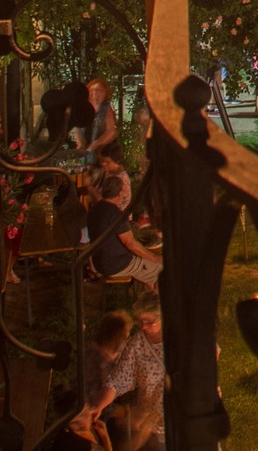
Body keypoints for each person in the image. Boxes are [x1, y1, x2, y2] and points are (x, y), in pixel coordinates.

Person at [96, 297, 166, 450]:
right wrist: (99, 405)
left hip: (185, 419)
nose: (144, 326)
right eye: (140, 321)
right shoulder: (137, 345)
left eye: (149, 322)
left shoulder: (181, 336)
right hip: (155, 426)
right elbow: (117, 380)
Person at [87, 174, 161, 287]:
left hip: (98, 262)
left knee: (148, 267)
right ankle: (153, 297)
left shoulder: (94, 209)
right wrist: (155, 258)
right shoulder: (116, 214)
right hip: (116, 264)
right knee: (161, 269)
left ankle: (149, 293)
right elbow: (130, 243)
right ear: (120, 193)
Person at [78, 312, 133, 449]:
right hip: (92, 426)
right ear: (115, 337)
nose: (128, 339)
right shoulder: (93, 360)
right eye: (125, 336)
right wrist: (124, 412)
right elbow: (91, 400)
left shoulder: (115, 359)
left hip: (110, 426)